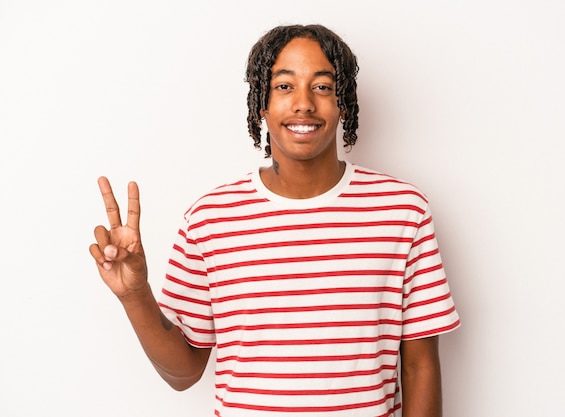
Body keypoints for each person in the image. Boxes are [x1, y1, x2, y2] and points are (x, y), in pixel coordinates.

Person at [90, 24, 460, 417]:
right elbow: (183, 374)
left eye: (322, 86)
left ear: (343, 103)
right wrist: (134, 295)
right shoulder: (210, 220)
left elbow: (420, 365)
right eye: (285, 86)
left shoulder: (402, 211)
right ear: (261, 104)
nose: (304, 103)